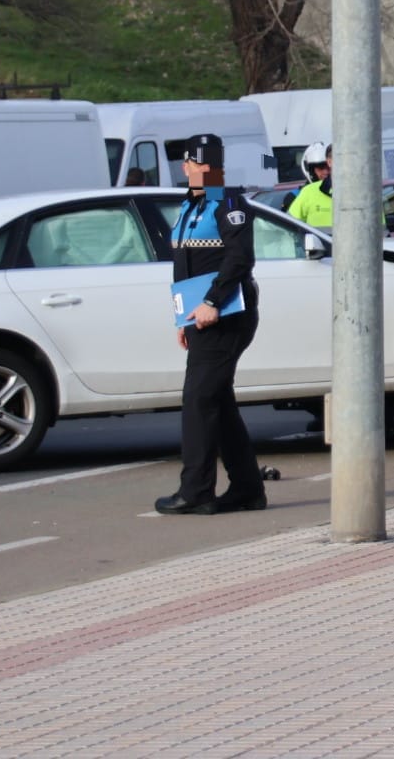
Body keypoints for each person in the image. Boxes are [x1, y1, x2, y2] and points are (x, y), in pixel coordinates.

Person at [155, 133, 267, 516]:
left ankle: (196, 490)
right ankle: (248, 488)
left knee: (198, 400)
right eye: (191, 165)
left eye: (195, 165)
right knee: (216, 400)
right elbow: (185, 267)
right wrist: (182, 316)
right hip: (201, 317)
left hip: (226, 315)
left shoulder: (229, 203)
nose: (190, 171)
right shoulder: (191, 206)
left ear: (207, 167)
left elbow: (239, 259)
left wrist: (211, 302)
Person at [287, 143, 334, 229]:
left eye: (327, 168)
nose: (326, 172)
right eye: (320, 167)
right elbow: (288, 226)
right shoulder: (303, 193)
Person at [281, 141, 329, 211]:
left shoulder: (343, 194)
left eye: (330, 167)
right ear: (310, 170)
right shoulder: (295, 196)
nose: (326, 172)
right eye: (321, 167)